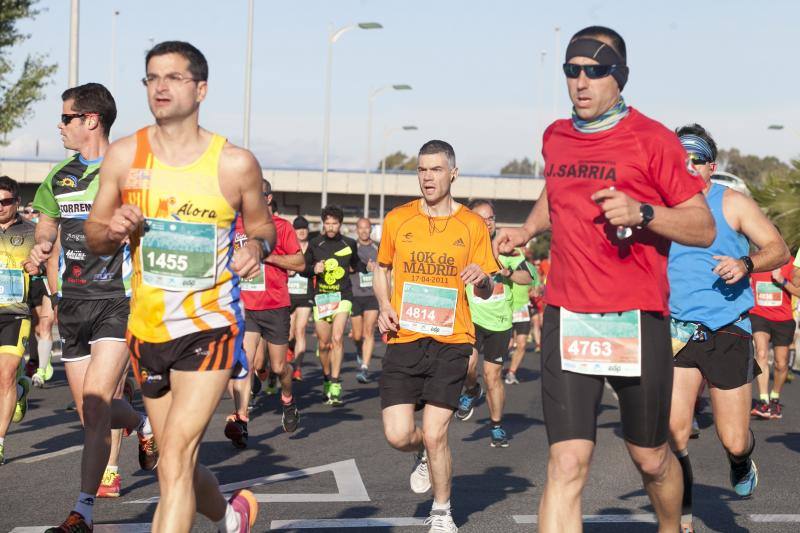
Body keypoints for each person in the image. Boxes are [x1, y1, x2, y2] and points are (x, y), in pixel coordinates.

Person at [495, 26, 717, 533]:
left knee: (651, 456)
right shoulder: (555, 135)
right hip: (569, 316)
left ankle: (669, 524)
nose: (581, 81)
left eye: (594, 71)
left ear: (619, 77)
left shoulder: (653, 139)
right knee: (567, 462)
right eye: (571, 71)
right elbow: (556, 191)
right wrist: (528, 229)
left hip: (635, 318)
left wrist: (643, 212)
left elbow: (702, 227)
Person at [84, 41, 276, 532]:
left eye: (173, 77)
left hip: (210, 326)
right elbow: (95, 238)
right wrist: (114, 229)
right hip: (148, 328)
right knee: (178, 462)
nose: (161, 87)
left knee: (172, 462)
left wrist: (255, 249)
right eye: (151, 78)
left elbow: (262, 227)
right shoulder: (126, 155)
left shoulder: (234, 164)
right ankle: (232, 515)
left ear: (201, 88)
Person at [24, 83, 157, 530]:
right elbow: (46, 219)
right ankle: (141, 422)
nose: (59, 126)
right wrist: (43, 245)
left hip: (118, 300)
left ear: (90, 120)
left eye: (65, 118)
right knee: (89, 412)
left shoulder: (129, 171)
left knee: (99, 405)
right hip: (74, 303)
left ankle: (82, 509)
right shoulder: (59, 177)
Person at [668, 124, 789, 531]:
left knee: (733, 438)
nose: (688, 166)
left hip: (727, 329)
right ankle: (681, 520)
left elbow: (778, 249)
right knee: (674, 434)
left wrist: (746, 264)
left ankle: (740, 461)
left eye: (696, 159)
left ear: (711, 166)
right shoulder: (660, 208)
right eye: (681, 158)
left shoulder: (733, 203)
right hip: (675, 330)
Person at [376, 140, 499, 533]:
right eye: (421, 170)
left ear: (453, 173)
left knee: (435, 431)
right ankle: (424, 455)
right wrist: (383, 305)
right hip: (404, 338)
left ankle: (443, 511)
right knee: (398, 435)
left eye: (435, 170)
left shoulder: (472, 225)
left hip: (452, 338)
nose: (428, 177)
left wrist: (481, 279)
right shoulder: (398, 220)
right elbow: (382, 268)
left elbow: (486, 286)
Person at [226, 179, 303, 447]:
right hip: (247, 308)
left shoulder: (281, 228)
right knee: (248, 365)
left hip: (276, 306)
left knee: (279, 367)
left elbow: (300, 262)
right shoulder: (236, 228)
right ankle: (242, 421)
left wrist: (268, 257)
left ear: (268, 199)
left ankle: (288, 401)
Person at [456, 199, 533, 450]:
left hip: (499, 324)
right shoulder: (465, 248)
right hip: (472, 318)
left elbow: (527, 278)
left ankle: (497, 426)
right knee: (466, 366)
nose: (487, 222)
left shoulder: (508, 250)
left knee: (493, 377)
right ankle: (470, 390)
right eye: (481, 218)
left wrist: (506, 271)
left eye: (491, 218)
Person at [304, 205, 365, 406]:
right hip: (322, 297)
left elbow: (356, 264)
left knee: (337, 338)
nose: (331, 227)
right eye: (327, 223)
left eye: (334, 223)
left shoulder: (349, 243)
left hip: (343, 296)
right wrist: (314, 268)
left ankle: (336, 384)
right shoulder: (315, 243)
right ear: (323, 223)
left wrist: (370, 267)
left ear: (340, 224)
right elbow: (304, 269)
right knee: (324, 345)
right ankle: (326, 377)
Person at [0, 176, 35, 466]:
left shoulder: (32, 232)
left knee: (5, 375)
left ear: (17, 202)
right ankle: (22, 390)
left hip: (15, 314)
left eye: (6, 201)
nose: (0, 206)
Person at [750, 257, 799, 419]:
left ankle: (775, 398)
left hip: (783, 319)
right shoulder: (755, 261)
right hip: (759, 316)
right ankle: (763, 400)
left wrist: (782, 281)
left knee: (781, 363)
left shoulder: (791, 263)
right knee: (761, 353)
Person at [350, 217, 380, 383]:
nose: (363, 231)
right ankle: (359, 349)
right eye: (360, 228)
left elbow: (386, 268)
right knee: (357, 334)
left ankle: (364, 368)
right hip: (355, 294)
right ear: (357, 230)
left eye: (366, 228)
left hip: (372, 295)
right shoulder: (351, 246)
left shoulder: (378, 247)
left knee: (369, 331)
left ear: (370, 230)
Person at [505, 248, 539, 385]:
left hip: (523, 308)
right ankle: (495, 369)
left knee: (522, 343)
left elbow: (536, 287)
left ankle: (511, 372)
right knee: (506, 344)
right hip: (506, 308)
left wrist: (536, 292)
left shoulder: (531, 268)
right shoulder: (506, 264)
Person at [287, 216, 313, 382]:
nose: (302, 231)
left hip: (306, 294)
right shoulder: (289, 247)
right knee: (289, 333)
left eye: (304, 228)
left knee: (300, 330)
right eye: (298, 228)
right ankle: (289, 350)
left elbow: (317, 268)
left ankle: (297, 368)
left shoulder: (313, 249)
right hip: (289, 294)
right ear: (294, 231)